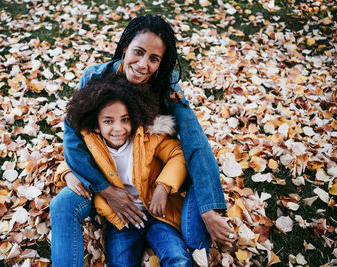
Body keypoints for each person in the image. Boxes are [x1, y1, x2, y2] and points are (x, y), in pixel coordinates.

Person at [50, 14, 236, 266]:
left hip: (153, 179)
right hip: (103, 179)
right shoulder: (94, 78)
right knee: (62, 205)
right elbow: (74, 142)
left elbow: (195, 143)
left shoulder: (166, 88)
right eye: (138, 52)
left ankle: (195, 243)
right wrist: (103, 188)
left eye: (154, 59)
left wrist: (208, 209)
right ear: (125, 47)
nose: (142, 64)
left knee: (186, 243)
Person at [66, 73, 191, 266]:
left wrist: (163, 186)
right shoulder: (91, 145)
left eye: (125, 119)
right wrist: (66, 173)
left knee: (178, 259)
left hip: (157, 215)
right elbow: (70, 158)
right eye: (108, 121)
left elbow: (178, 153)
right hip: (121, 221)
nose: (119, 128)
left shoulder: (147, 138)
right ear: (96, 126)